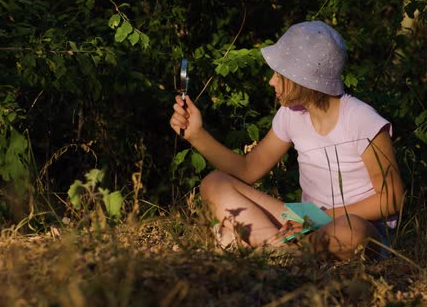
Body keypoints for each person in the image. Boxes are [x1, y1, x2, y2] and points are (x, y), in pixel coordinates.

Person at [170, 21, 404, 260]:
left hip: (358, 225)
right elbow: (248, 169)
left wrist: (317, 218)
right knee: (214, 182)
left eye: (280, 75)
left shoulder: (362, 120)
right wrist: (197, 135)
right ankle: (279, 251)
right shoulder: (291, 115)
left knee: (351, 231)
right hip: (305, 220)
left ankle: (260, 246)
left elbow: (392, 198)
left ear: (305, 79)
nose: (272, 81)